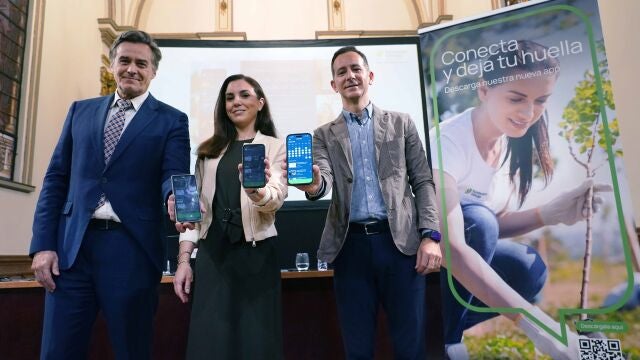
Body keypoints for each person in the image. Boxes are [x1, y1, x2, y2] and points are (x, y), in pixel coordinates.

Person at [432, 40, 611, 359]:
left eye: (541, 100)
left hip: (451, 272)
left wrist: (549, 213)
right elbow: (453, 243)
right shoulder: (448, 142)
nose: (529, 113)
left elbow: (489, 228)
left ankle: (430, 328)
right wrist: (541, 329)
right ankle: (444, 340)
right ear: (484, 90)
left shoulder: (509, 145)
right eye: (516, 98)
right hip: (416, 264)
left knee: (528, 267)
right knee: (478, 222)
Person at [29, 30, 190, 359]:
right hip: (72, 252)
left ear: (153, 71)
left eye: (141, 64)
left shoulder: (172, 120)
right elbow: (56, 179)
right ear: (112, 65)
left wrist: (174, 198)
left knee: (132, 351)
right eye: (125, 61)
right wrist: (43, 244)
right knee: (57, 351)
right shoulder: (80, 111)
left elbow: (173, 174)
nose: (132, 69)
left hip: (130, 251)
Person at [286, 46, 442, 359]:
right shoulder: (322, 136)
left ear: (369, 76)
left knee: (410, 347)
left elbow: (423, 181)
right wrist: (312, 183)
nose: (349, 76)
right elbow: (322, 182)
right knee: (357, 350)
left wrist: (431, 235)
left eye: (355, 69)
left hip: (401, 247)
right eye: (341, 72)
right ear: (333, 85)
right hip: (351, 250)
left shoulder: (401, 123)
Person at [169, 74, 287, 360]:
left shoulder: (274, 146)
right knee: (211, 344)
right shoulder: (207, 152)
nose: (236, 102)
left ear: (260, 103)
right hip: (213, 257)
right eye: (229, 97)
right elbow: (192, 215)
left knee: (257, 345)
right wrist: (184, 260)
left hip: (257, 257)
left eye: (244, 95)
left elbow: (275, 199)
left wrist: (256, 192)